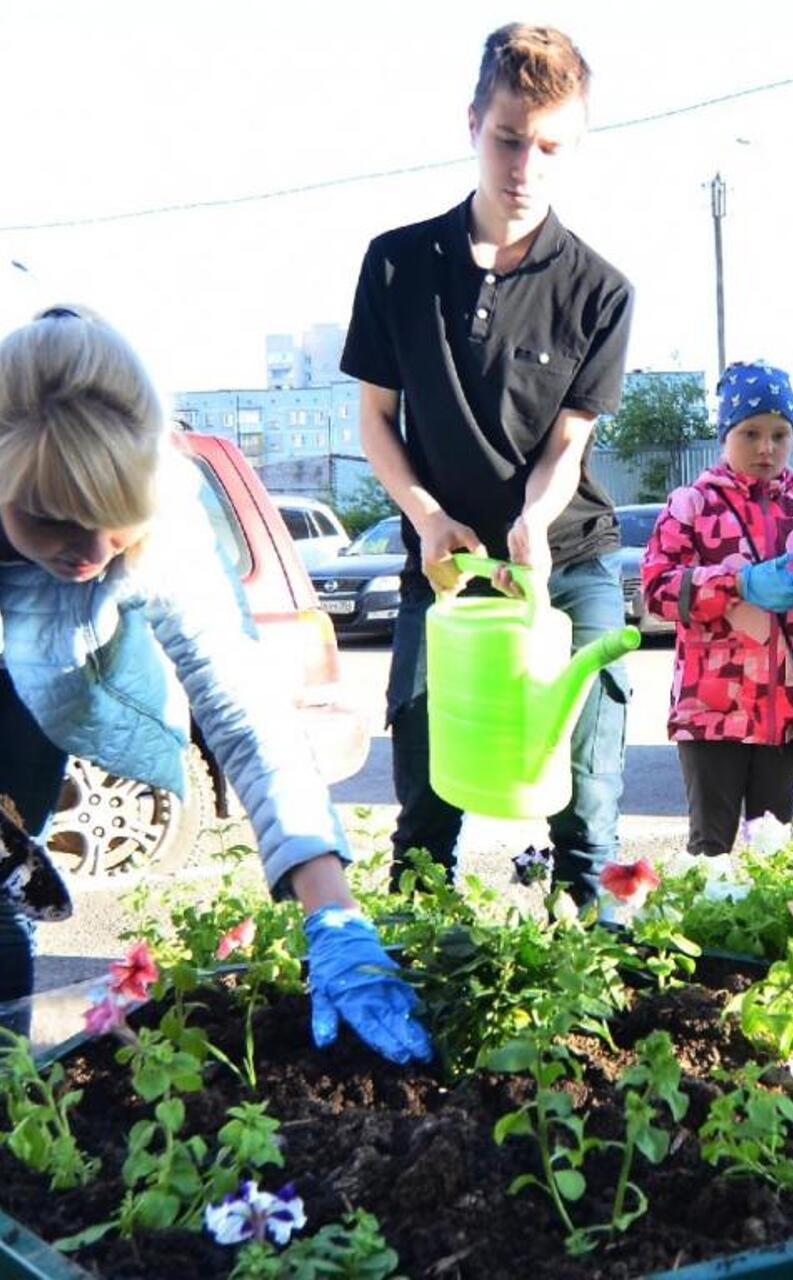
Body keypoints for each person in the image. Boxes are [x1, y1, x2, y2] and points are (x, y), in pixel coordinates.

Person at [0, 306, 431, 1065]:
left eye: (115, 521)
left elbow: (244, 708)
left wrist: (331, 911)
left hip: (41, 681)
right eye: (53, 522)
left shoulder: (168, 521)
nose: (93, 552)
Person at [340, 24, 633, 904]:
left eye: (549, 146)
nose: (525, 165)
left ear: (571, 147)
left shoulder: (600, 289)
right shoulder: (396, 265)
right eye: (510, 137)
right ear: (473, 122)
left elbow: (566, 446)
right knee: (427, 805)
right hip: (444, 571)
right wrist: (428, 516)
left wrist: (533, 523)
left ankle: (603, 991)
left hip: (568, 566)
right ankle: (424, 990)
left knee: (587, 806)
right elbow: (377, 423)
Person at [640, 360, 793, 854]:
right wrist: (738, 582)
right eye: (750, 433)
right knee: (710, 851)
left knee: (778, 854)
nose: (766, 448)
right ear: (725, 433)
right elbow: (658, 590)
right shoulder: (692, 505)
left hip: (790, 710)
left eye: (779, 434)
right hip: (711, 711)